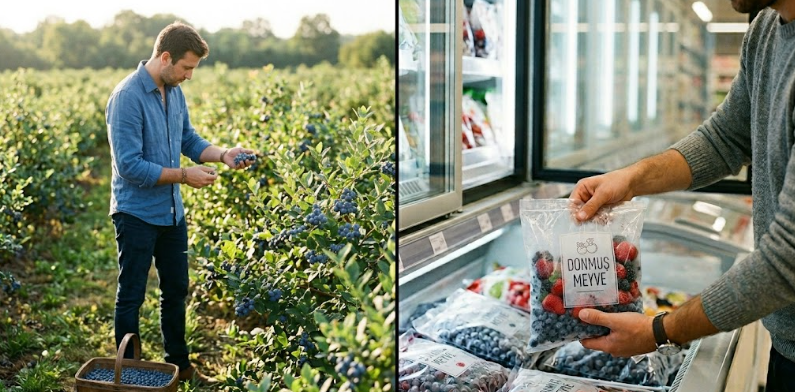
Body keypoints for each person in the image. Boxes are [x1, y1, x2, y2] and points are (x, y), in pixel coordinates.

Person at [568, 1, 795, 390]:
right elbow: (725, 138)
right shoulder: (766, 30)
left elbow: (785, 260)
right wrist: (632, 178)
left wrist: (659, 330)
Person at [105, 21, 255, 384]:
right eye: (186, 67)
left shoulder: (174, 91)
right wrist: (185, 175)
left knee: (175, 290)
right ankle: (130, 373)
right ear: (166, 57)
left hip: (172, 213)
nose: (189, 76)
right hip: (136, 213)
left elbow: (187, 138)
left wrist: (222, 154)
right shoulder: (127, 97)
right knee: (132, 295)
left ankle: (180, 366)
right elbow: (129, 166)